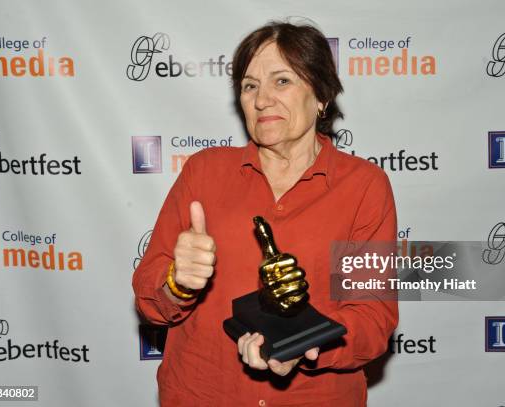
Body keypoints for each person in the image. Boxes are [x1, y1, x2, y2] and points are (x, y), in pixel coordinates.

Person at [132, 20, 398, 407]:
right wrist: (177, 283)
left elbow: (372, 319)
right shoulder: (204, 173)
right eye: (249, 86)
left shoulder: (363, 186)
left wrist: (303, 346)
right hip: (203, 394)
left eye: (282, 81)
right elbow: (149, 300)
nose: (261, 100)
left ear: (321, 95)